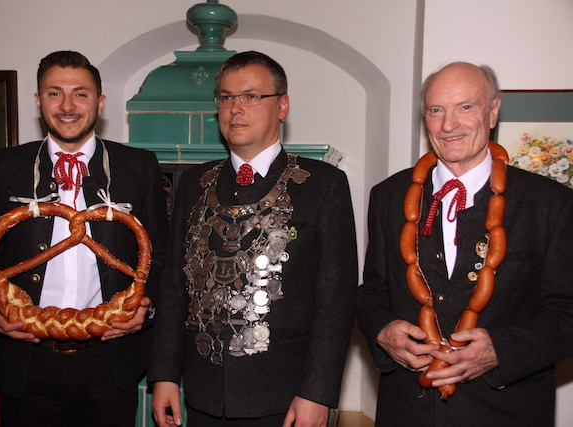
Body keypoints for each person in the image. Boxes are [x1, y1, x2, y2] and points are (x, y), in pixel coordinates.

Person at [356, 61, 573, 426]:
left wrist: (501, 349)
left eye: (465, 107)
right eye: (436, 110)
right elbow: (372, 291)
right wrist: (383, 330)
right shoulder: (389, 196)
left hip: (507, 413)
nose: (448, 124)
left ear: (493, 112)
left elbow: (567, 312)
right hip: (407, 412)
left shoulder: (550, 203)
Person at [149, 51, 358, 426]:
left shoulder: (324, 185)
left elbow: (336, 301)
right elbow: (173, 288)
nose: (235, 108)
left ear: (282, 106)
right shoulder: (194, 184)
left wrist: (317, 392)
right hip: (203, 393)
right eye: (226, 97)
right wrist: (164, 375)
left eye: (250, 96)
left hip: (285, 396)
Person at [0, 51, 169, 426]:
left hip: (109, 360)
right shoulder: (2, 166)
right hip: (27, 359)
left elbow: (159, 256)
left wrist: (146, 308)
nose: (68, 105)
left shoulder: (139, 166)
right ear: (39, 101)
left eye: (81, 93)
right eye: (54, 93)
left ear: (100, 102)